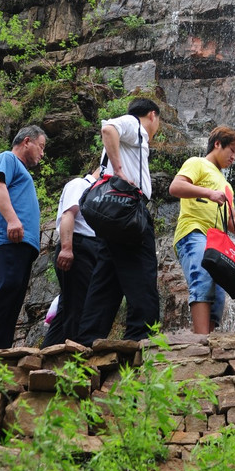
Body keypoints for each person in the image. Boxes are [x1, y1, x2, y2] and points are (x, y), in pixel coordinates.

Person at [77, 99, 162, 345]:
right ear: (152, 115)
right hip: (128, 211)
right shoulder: (134, 124)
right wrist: (120, 171)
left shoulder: (134, 135)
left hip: (113, 217)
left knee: (106, 278)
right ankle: (141, 338)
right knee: (143, 271)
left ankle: (88, 340)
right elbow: (108, 128)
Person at [169, 126, 235, 334]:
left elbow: (231, 220)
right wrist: (209, 193)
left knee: (218, 294)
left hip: (215, 244)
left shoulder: (226, 184)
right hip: (193, 231)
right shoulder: (197, 163)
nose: (234, 157)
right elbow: (175, 187)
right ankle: (201, 340)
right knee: (202, 277)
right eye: (232, 150)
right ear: (217, 144)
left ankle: (208, 340)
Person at [0, 125, 46, 350]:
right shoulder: (7, 159)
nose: (42, 154)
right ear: (27, 141)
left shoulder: (22, 171)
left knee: (13, 299)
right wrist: (13, 220)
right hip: (6, 239)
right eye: (41, 147)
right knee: (6, 286)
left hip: (20, 244)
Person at [42, 166, 101, 347]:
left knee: (67, 307)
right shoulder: (79, 185)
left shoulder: (98, 193)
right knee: (79, 304)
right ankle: (75, 354)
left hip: (90, 248)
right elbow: (68, 214)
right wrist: (67, 248)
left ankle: (46, 353)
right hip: (78, 247)